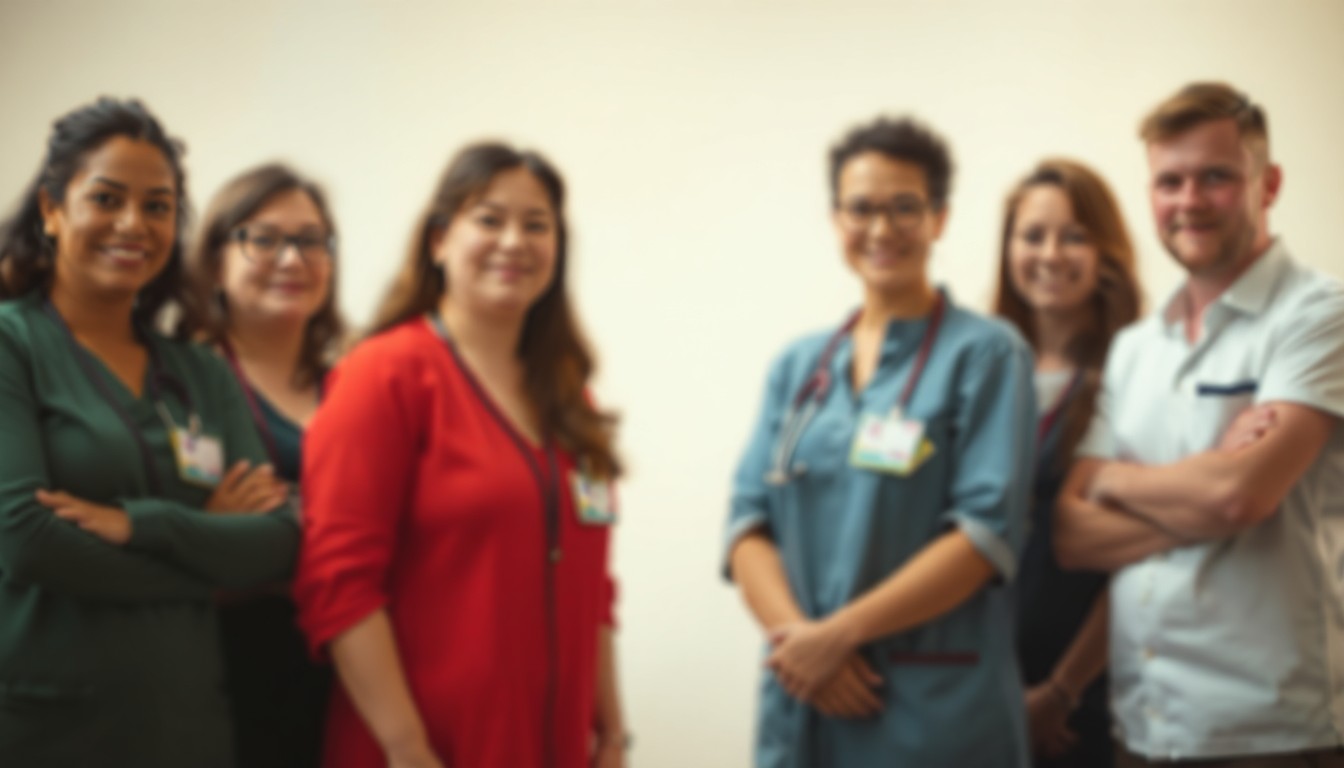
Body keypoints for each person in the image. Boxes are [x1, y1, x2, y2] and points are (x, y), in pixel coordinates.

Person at [294, 142, 629, 768]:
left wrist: (612, 733)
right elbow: (338, 587)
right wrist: (407, 749)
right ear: (440, 240)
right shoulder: (383, 375)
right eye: (489, 219)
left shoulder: (568, 396)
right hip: (424, 751)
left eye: (537, 225)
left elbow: (595, 591)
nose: (514, 241)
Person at [724, 116, 1036, 767]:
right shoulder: (799, 367)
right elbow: (749, 523)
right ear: (836, 219)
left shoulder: (986, 355)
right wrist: (803, 645)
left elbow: (983, 536)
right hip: (805, 696)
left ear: (940, 218)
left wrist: (838, 638)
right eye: (861, 209)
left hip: (928, 711)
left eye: (905, 208)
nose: (881, 229)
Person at [0, 98, 298, 767]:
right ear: (51, 210)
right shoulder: (11, 344)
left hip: (186, 730)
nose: (133, 223)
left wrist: (142, 524)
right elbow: (24, 540)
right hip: (47, 730)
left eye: (158, 206)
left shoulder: (200, 371)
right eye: (106, 199)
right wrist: (205, 553)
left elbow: (279, 541)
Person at [1055, 82, 1344, 767]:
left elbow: (1238, 496)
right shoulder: (1134, 348)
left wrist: (1115, 481)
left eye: (1216, 176)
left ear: (1267, 184)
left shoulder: (1317, 316)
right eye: (1170, 181)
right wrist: (1210, 488)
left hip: (1272, 731)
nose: (1189, 201)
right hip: (1144, 727)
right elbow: (1070, 534)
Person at [184, 163, 346, 768]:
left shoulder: (358, 386)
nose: (292, 258)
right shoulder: (180, 384)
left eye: (311, 240)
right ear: (216, 259)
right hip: (233, 680)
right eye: (263, 237)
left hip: (353, 677)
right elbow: (185, 549)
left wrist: (269, 533)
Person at [995, 158, 1142, 767]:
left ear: (1105, 250)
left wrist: (1060, 692)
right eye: (1032, 235)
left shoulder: (1138, 377)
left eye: (1074, 235)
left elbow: (1140, 560)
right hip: (975, 686)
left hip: (1084, 698)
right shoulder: (979, 375)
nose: (1050, 253)